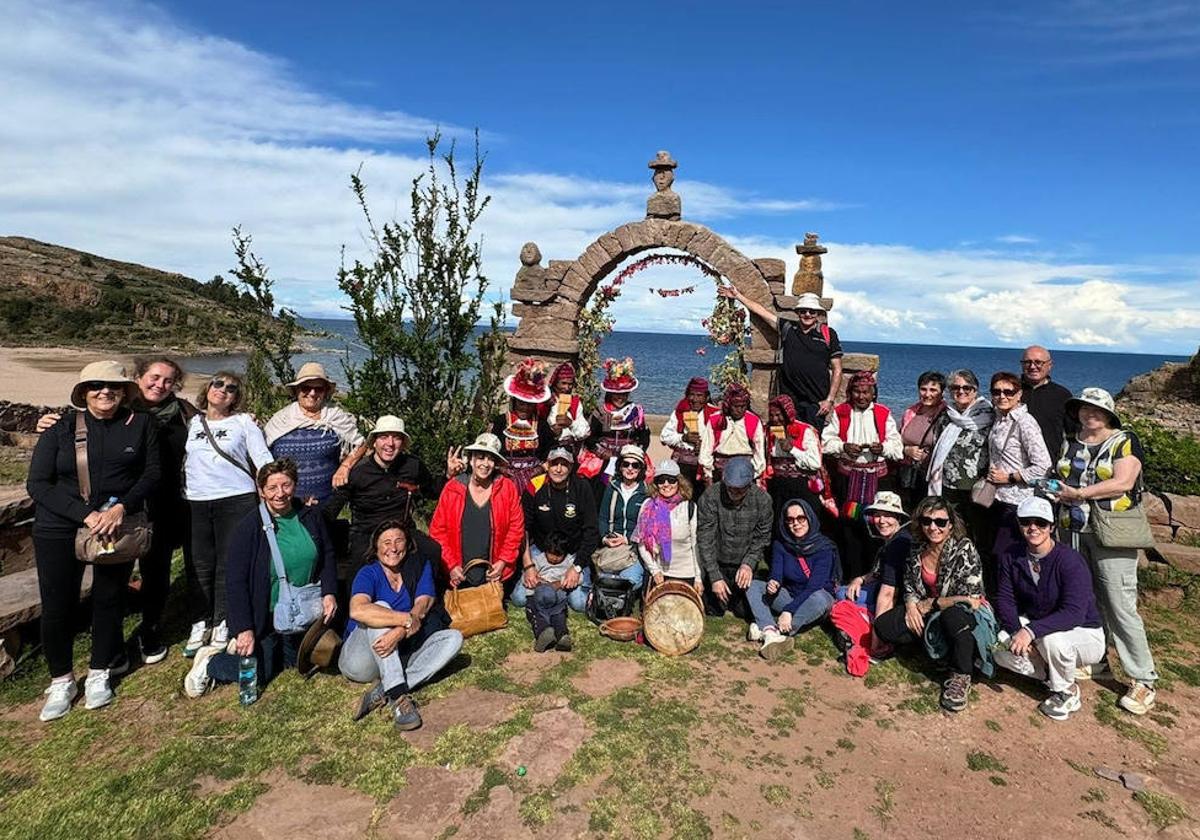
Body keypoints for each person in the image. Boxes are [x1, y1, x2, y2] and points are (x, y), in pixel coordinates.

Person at [35, 355, 195, 664]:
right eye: (154, 377)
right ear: (136, 379)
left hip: (160, 506)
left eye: (168, 380)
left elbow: (214, 425)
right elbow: (73, 438)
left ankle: (149, 630)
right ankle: (109, 648)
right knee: (111, 585)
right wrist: (43, 421)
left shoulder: (184, 413)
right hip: (108, 511)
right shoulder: (112, 411)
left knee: (154, 573)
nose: (160, 384)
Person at [28, 361, 160, 721]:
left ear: (124, 391)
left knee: (109, 598)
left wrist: (121, 509)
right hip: (60, 525)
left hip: (115, 525)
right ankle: (62, 679)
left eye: (114, 386)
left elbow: (152, 473)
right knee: (58, 605)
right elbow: (38, 484)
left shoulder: (140, 424)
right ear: (83, 392)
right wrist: (85, 515)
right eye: (97, 386)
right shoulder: (61, 427)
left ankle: (100, 671)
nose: (106, 392)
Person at [183, 459, 338, 699]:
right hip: (264, 616)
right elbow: (235, 582)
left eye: (286, 485)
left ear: (294, 485)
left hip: (301, 609)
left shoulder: (310, 516)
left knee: (292, 664)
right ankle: (211, 662)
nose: (280, 494)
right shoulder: (248, 528)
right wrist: (244, 628)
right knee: (260, 674)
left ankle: (274, 648)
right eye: (272, 488)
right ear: (261, 491)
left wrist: (329, 592)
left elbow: (327, 554)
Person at [1051, 387, 1159, 715]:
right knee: (1087, 597)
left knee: (1119, 602)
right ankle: (1098, 659)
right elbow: (1061, 477)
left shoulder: (1124, 440)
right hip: (1072, 528)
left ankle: (1143, 678)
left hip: (1112, 532)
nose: (1090, 413)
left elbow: (1124, 482)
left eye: (1097, 409)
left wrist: (1081, 493)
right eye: (1084, 408)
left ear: (1109, 413)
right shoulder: (1071, 438)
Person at [337, 519, 464, 731]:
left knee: (454, 639)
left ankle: (386, 688)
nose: (393, 548)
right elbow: (358, 610)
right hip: (360, 660)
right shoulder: (368, 573)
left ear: (408, 544)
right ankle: (398, 698)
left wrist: (399, 631)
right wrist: (404, 621)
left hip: (395, 649)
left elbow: (423, 604)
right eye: (386, 543)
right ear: (376, 547)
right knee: (380, 607)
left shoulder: (417, 567)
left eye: (398, 541)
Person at [873, 497, 994, 713]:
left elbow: (971, 599)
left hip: (963, 611)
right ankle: (938, 650)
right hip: (928, 609)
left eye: (940, 522)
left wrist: (932, 603)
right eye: (927, 521)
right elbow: (910, 585)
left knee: (952, 617)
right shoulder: (917, 547)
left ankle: (961, 674)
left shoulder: (963, 548)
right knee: (884, 626)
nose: (933, 527)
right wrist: (911, 605)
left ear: (950, 524)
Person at [183, 370, 274, 657]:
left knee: (228, 562)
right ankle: (201, 621)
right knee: (199, 562)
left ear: (237, 397)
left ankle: (223, 621)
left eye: (231, 388)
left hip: (236, 499)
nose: (223, 390)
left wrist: (271, 489)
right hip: (197, 500)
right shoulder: (192, 422)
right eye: (218, 383)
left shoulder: (244, 422)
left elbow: (262, 459)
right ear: (208, 387)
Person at [992, 496, 1105, 721]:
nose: (1033, 527)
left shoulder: (1070, 561)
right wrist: (1017, 632)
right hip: (1040, 625)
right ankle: (1049, 673)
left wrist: (1030, 632)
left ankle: (1066, 690)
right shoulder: (1011, 556)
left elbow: (1074, 612)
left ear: (1051, 527)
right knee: (999, 646)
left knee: (1053, 641)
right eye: (1026, 522)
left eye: (1040, 523)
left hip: (1082, 632)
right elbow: (1005, 598)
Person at [325, 415, 447, 571]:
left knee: (432, 550)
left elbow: (431, 491)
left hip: (403, 530)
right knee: (359, 570)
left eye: (396, 438)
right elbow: (331, 510)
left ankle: (428, 594)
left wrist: (448, 476)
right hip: (367, 533)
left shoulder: (412, 465)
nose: (390, 443)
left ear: (402, 443)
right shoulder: (357, 472)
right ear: (374, 442)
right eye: (384, 437)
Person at [717, 286, 843, 428]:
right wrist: (738, 295)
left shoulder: (828, 334)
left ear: (818, 313)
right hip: (788, 401)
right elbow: (761, 312)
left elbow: (837, 369)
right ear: (797, 312)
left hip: (817, 403)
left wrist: (829, 400)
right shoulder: (788, 328)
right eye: (803, 311)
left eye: (812, 311)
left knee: (811, 442)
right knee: (785, 440)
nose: (807, 314)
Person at [821, 371, 903, 581]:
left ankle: (876, 576)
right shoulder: (841, 412)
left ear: (873, 393)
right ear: (850, 392)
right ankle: (849, 577)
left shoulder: (884, 414)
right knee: (848, 529)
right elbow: (826, 443)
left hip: (878, 481)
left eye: (865, 392)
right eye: (856, 391)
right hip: (847, 481)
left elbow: (897, 447)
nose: (861, 396)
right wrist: (843, 446)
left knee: (876, 526)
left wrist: (882, 448)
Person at [429, 432, 525, 590]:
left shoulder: (507, 488)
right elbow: (437, 531)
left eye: (491, 459)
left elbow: (516, 530)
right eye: (481, 457)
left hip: (493, 574)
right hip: (458, 574)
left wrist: (502, 562)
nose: (486, 464)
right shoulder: (453, 488)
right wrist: (451, 566)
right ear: (471, 460)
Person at [747, 498, 839, 661]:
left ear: (809, 518)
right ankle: (770, 631)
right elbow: (777, 572)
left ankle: (776, 630)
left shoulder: (824, 548)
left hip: (815, 599)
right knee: (753, 585)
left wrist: (788, 610)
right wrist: (773, 582)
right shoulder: (781, 544)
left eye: (800, 518)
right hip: (791, 594)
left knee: (819, 599)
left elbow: (814, 586)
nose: (795, 523)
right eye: (790, 520)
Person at [984, 371, 1051, 588]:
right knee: (997, 554)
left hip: (1017, 501)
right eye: (996, 391)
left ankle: (1012, 605)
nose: (1002, 396)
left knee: (1006, 556)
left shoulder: (1025, 422)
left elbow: (1043, 466)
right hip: (998, 498)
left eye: (1008, 391)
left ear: (1019, 394)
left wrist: (1010, 477)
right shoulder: (999, 417)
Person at [264, 362, 364, 506]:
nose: (312, 393)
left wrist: (345, 466)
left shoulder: (335, 416)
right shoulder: (281, 419)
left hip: (327, 499)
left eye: (318, 389)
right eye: (306, 388)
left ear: (325, 392)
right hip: (284, 499)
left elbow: (360, 444)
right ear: (297, 390)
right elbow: (261, 455)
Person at [513, 448, 599, 614]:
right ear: (547, 464)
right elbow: (523, 528)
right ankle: (555, 588)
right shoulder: (534, 485)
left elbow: (591, 531)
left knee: (580, 604)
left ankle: (555, 589)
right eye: (554, 464)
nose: (558, 469)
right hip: (541, 551)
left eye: (564, 464)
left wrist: (577, 567)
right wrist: (528, 565)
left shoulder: (582, 487)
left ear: (571, 466)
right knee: (519, 599)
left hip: (573, 553)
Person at [697, 456, 773, 619]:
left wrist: (749, 563)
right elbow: (705, 538)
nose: (733, 492)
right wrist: (714, 576)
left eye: (739, 489)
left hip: (743, 564)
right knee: (714, 608)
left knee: (743, 611)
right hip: (718, 562)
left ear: (749, 484)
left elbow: (762, 538)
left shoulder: (763, 500)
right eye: (730, 487)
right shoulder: (710, 496)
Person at [926, 368, 994, 547]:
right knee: (951, 532)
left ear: (976, 390)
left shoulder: (989, 415)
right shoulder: (947, 415)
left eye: (967, 387)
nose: (961, 391)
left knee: (978, 535)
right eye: (955, 387)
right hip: (948, 486)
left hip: (977, 488)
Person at [490, 357, 555, 494]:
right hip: (505, 476)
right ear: (514, 401)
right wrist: (503, 470)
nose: (525, 408)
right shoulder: (501, 422)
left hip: (535, 477)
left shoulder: (542, 426)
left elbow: (550, 452)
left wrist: (539, 470)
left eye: (530, 404)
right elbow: (492, 452)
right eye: (521, 403)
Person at [636, 459, 701, 592]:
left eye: (671, 480)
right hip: (659, 573)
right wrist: (654, 571)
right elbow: (641, 542)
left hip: (686, 574)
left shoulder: (689, 507)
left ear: (679, 482)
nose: (666, 484)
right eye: (661, 480)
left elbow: (696, 546)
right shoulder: (648, 506)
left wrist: (699, 578)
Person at [593, 445, 649, 592]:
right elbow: (603, 517)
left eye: (635, 465)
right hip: (611, 547)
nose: (630, 469)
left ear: (641, 468)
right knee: (608, 583)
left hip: (634, 547)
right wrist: (605, 538)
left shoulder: (646, 492)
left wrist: (627, 539)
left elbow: (648, 526)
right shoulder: (612, 488)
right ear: (620, 466)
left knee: (630, 582)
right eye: (626, 464)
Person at [764, 394, 825, 524]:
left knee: (803, 521)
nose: (775, 419)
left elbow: (815, 463)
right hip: (779, 486)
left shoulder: (806, 430)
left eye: (779, 415)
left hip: (801, 485)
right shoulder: (768, 431)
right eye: (771, 415)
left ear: (788, 413)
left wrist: (793, 450)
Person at [588, 357, 650, 479]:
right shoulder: (602, 412)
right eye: (616, 394)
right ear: (610, 393)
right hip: (604, 459)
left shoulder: (636, 412)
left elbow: (644, 437)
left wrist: (634, 453)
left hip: (629, 460)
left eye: (624, 394)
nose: (620, 397)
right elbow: (590, 438)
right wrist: (603, 452)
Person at [659, 377, 720, 493]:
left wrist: (705, 445)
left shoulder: (715, 414)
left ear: (706, 397)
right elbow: (664, 436)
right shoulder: (681, 411)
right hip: (683, 464)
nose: (695, 399)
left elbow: (722, 440)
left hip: (706, 467)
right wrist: (683, 438)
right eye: (692, 395)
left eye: (699, 395)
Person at [699, 382, 766, 485]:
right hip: (720, 470)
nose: (739, 410)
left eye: (743, 406)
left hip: (745, 471)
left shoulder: (753, 421)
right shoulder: (716, 419)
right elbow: (706, 449)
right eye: (735, 406)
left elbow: (759, 452)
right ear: (729, 405)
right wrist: (708, 474)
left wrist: (754, 473)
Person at [897, 371, 947, 507]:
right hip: (909, 473)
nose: (927, 394)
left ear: (942, 392)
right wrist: (906, 450)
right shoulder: (910, 412)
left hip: (932, 476)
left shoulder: (946, 415)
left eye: (933, 390)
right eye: (923, 389)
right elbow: (896, 440)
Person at [1019, 345, 1074, 462]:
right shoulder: (1009, 392)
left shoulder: (1062, 395)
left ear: (1050, 365)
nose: (1032, 366)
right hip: (1013, 465)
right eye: (1027, 362)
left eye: (1038, 362)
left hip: (1049, 466)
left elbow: (1073, 434)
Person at [525, 530, 574, 652]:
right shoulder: (538, 560)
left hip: (558, 594)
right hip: (540, 592)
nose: (554, 558)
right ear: (545, 550)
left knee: (542, 614)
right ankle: (557, 633)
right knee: (557, 614)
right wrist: (537, 581)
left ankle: (556, 634)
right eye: (551, 554)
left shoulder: (569, 561)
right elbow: (526, 577)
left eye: (559, 556)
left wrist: (559, 583)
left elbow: (578, 577)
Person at [543, 362, 590, 453]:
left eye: (570, 384)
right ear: (555, 383)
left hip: (570, 451)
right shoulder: (545, 402)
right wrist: (552, 431)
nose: (567, 388)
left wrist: (571, 423)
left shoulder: (575, 402)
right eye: (563, 383)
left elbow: (585, 432)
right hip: (547, 449)